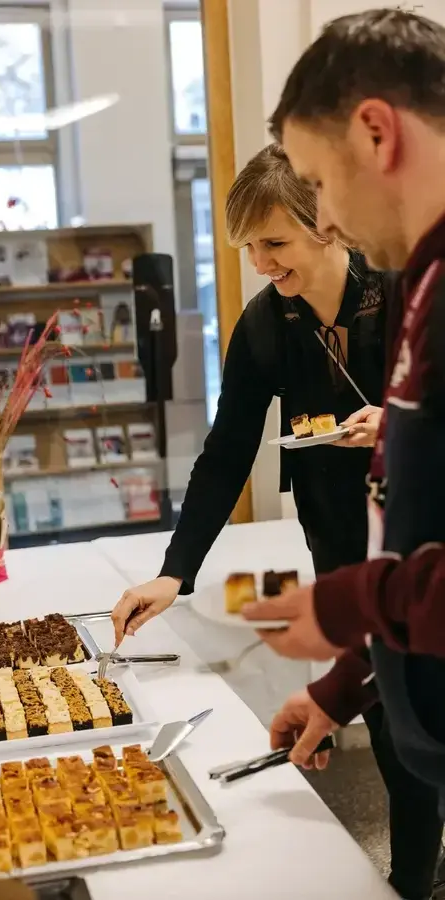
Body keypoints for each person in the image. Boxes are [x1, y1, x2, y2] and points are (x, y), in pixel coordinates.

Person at [111, 143, 443, 900]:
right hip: (334, 537)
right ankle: (411, 880)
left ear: (324, 224)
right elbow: (226, 454)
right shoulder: (264, 326)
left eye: (275, 242)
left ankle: (412, 877)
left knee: (418, 713)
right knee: (386, 717)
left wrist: (392, 422)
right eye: (248, 247)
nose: (260, 261)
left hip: (420, 534)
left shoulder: (402, 296)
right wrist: (175, 571)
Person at [239, 1, 445, 849]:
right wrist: (344, 687)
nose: (324, 220)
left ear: (376, 132)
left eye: (319, 185)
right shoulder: (426, 290)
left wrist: (343, 602)